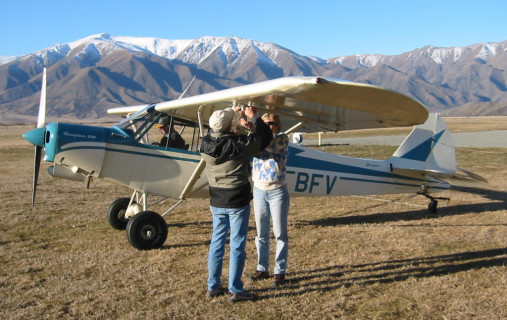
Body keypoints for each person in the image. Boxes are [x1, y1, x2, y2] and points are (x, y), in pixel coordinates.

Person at [200, 106, 272, 303]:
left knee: (217, 242)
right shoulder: (238, 144)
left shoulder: (205, 142)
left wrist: (231, 114)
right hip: (237, 199)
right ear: (229, 126)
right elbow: (263, 138)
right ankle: (235, 290)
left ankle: (213, 286)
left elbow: (215, 132)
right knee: (237, 244)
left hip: (216, 199)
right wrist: (254, 117)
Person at [249, 114, 290, 286]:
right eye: (265, 124)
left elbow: (265, 145)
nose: (268, 126)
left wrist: (254, 124)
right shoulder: (258, 138)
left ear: (277, 125)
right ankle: (262, 267)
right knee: (261, 233)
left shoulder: (281, 139)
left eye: (271, 123)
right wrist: (249, 125)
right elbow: (252, 145)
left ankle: (279, 270)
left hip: (277, 191)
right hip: (258, 191)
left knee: (280, 233)